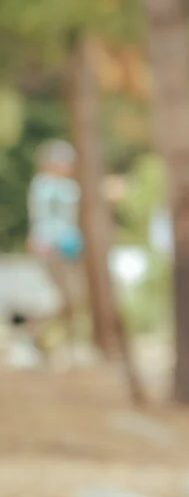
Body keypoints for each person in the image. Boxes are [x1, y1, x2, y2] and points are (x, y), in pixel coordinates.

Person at [27, 138, 86, 346]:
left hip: (70, 247)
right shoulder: (43, 185)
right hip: (50, 247)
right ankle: (32, 336)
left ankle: (64, 342)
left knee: (74, 298)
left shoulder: (70, 186)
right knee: (56, 297)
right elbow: (41, 218)